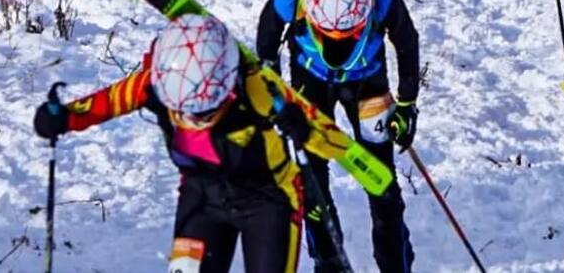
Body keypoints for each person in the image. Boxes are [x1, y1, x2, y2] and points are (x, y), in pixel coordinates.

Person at [33, 14, 347, 273]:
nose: (192, 120)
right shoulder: (156, 82)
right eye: (180, 110)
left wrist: (303, 130)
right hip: (203, 195)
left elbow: (336, 142)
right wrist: (65, 117)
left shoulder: (260, 89)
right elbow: (108, 101)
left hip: (268, 200)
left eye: (204, 112)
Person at [256, 0, 419, 273]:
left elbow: (407, 43)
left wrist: (407, 104)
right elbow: (267, 41)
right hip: (310, 84)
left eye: (348, 33)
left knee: (382, 185)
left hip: (368, 86)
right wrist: (276, 95)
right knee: (312, 185)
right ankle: (328, 264)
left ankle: (396, 266)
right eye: (328, 33)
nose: (338, 41)